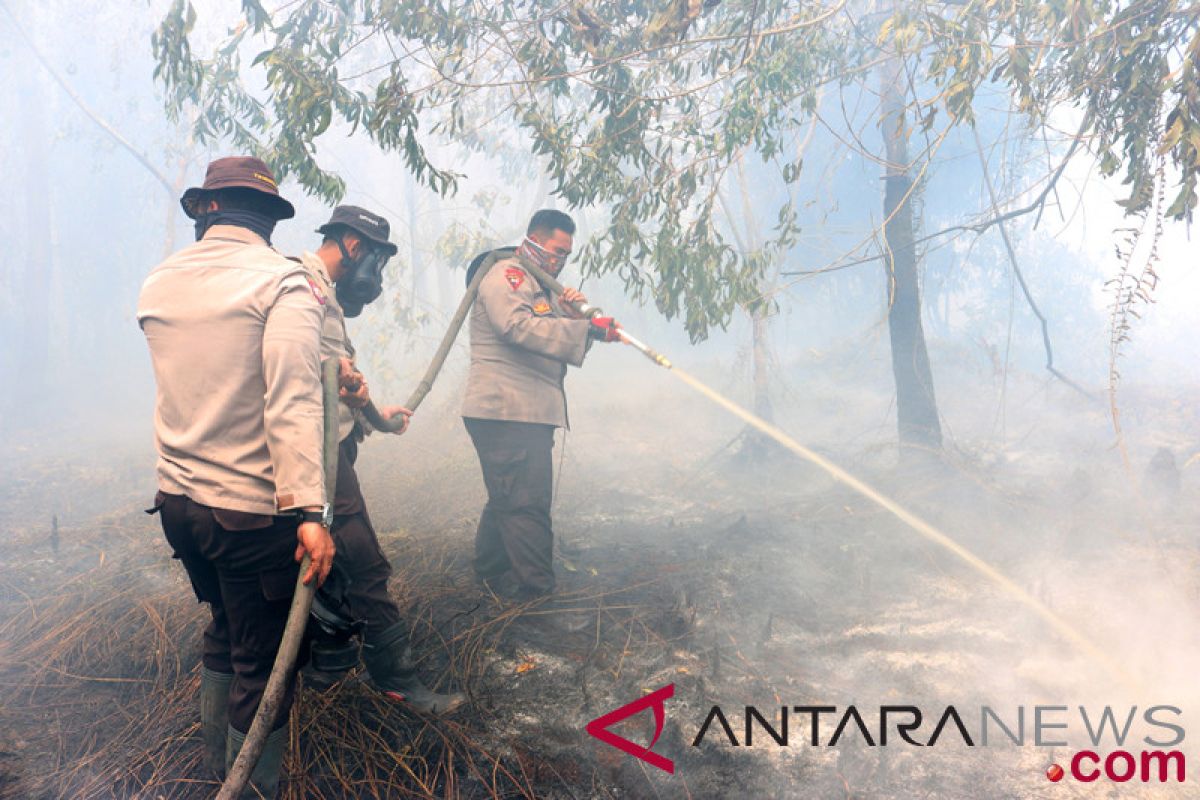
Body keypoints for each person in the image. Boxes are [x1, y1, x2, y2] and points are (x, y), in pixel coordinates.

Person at [137, 156, 336, 797]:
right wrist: (311, 514)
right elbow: (293, 402)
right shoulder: (282, 284)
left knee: (226, 625)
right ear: (270, 222)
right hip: (248, 512)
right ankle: (249, 786)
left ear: (205, 211)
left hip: (177, 503)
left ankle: (216, 767)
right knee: (264, 657)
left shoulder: (159, 282)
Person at [298, 205, 465, 714]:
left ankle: (323, 667)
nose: (377, 273)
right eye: (374, 257)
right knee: (365, 564)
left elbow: (335, 381)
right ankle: (400, 683)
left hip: (329, 449)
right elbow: (302, 390)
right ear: (351, 244)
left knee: (330, 564)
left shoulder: (323, 296)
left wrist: (375, 415)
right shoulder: (301, 289)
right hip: (315, 459)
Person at [462, 209, 621, 601]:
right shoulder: (507, 274)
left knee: (509, 493)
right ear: (532, 238)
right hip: (506, 410)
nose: (560, 260)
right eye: (555, 249)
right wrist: (585, 329)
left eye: (566, 253)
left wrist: (570, 316)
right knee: (526, 504)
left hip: (522, 412)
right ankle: (538, 595)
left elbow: (547, 331)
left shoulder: (539, 285)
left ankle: (487, 575)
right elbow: (516, 327)